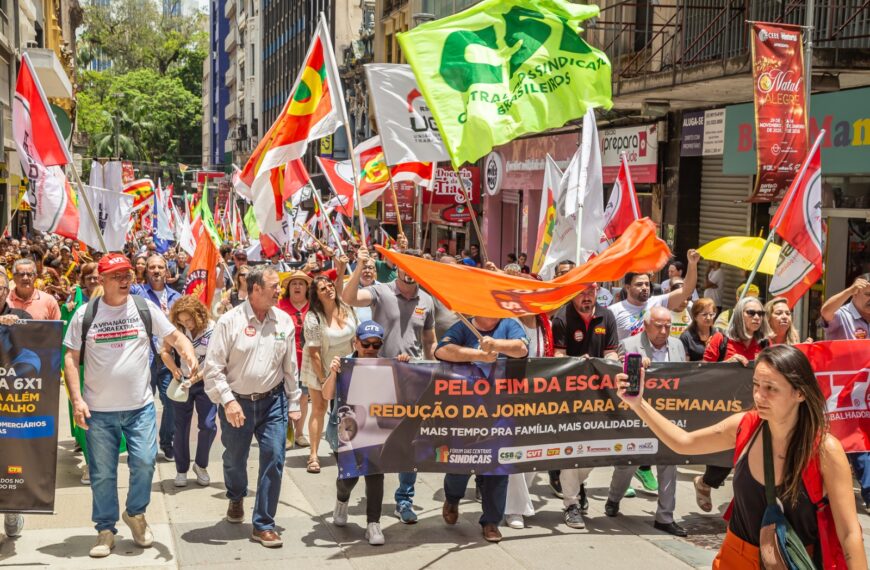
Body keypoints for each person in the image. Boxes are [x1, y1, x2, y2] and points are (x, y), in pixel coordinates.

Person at [615, 345, 866, 569]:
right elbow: (683, 442)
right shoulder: (746, 426)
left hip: (792, 561)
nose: (758, 396)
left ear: (800, 393)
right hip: (735, 559)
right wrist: (638, 403)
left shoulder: (825, 450)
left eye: (771, 389)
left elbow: (849, 532)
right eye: (756, 385)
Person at [62, 253, 198, 558]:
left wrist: (188, 353)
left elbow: (176, 337)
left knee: (145, 462)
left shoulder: (143, 307)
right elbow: (70, 359)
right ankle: (105, 530)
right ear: (102, 280)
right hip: (98, 412)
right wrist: (76, 400)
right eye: (118, 276)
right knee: (102, 473)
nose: (126, 281)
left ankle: (136, 514)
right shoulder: (86, 314)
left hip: (140, 408)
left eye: (128, 275)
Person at [203, 265, 302, 548]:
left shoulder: (283, 321)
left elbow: (290, 366)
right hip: (237, 403)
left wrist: (294, 402)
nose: (278, 291)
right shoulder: (229, 321)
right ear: (255, 289)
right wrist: (229, 400)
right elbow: (213, 369)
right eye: (274, 286)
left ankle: (263, 524)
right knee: (235, 459)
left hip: (273, 402)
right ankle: (235, 496)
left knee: (274, 457)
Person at [342, 245, 436, 524]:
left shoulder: (427, 301)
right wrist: (358, 266)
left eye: (415, 270)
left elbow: (429, 340)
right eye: (405, 269)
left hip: (413, 380)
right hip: (378, 379)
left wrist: (434, 371)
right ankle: (346, 490)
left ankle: (404, 499)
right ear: (397, 269)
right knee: (368, 443)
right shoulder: (381, 291)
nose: (410, 275)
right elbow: (348, 297)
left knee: (410, 443)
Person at [608, 250, 699, 493]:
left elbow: (686, 290)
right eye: (639, 284)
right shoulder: (614, 311)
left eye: (648, 284)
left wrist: (691, 264)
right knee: (629, 437)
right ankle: (619, 487)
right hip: (629, 379)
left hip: (659, 382)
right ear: (626, 286)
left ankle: (643, 470)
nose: (645, 288)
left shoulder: (656, 304)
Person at [435, 315, 528, 543]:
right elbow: (442, 351)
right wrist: (478, 354)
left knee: (498, 467)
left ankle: (491, 522)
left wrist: (495, 344)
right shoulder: (463, 326)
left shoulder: (509, 324)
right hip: (467, 413)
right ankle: (453, 497)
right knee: (459, 463)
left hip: (500, 412)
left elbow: (521, 348)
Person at [606, 306, 688, 536]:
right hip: (637, 415)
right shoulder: (630, 345)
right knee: (628, 462)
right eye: (659, 326)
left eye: (668, 326)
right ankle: (613, 498)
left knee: (669, 462)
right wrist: (633, 363)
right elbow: (618, 379)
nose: (664, 331)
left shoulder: (678, 346)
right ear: (646, 325)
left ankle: (665, 517)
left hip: (668, 416)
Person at [550, 282, 619, 527]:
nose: (587, 297)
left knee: (596, 451)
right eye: (582, 293)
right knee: (573, 448)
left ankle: (576, 486)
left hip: (600, 396)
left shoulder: (607, 315)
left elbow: (612, 352)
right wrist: (577, 363)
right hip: (571, 396)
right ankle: (571, 504)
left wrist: (609, 363)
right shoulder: (562, 317)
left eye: (591, 292)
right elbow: (557, 355)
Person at [694, 296, 770, 512]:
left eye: (761, 313)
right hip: (724, 408)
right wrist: (727, 365)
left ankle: (745, 509)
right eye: (751, 313)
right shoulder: (721, 340)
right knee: (724, 455)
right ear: (739, 315)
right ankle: (705, 483)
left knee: (749, 458)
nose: (757, 317)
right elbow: (702, 371)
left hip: (755, 408)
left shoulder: (764, 343)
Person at [325, 321, 389, 546]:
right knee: (348, 478)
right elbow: (326, 395)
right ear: (356, 342)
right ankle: (342, 499)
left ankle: (373, 523)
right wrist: (333, 373)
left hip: (374, 430)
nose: (371, 349)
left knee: (375, 475)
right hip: (344, 431)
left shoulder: (386, 365)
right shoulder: (344, 364)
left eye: (376, 344)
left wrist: (403, 366)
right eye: (366, 344)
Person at [820, 273, 870, 511]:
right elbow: (825, 312)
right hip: (844, 396)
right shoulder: (844, 315)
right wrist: (849, 290)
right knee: (857, 443)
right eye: (867, 294)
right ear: (856, 293)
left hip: (867, 392)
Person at [301, 275, 356, 474]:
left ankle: (346, 448)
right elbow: (314, 352)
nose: (329, 289)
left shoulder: (347, 308)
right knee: (319, 407)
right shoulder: (313, 318)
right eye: (323, 288)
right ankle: (313, 455)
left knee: (348, 409)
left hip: (346, 366)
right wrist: (325, 380)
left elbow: (354, 339)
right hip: (320, 366)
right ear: (316, 295)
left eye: (330, 285)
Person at [161, 296, 218, 488]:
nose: (186, 324)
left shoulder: (212, 327)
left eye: (189, 320)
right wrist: (172, 368)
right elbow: (165, 351)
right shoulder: (176, 329)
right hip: (181, 381)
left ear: (199, 315)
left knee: (209, 425)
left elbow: (213, 361)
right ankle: (181, 469)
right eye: (182, 321)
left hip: (205, 382)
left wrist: (195, 379)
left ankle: (201, 465)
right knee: (181, 427)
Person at [131, 255, 182, 461]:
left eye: (160, 267)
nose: (156, 270)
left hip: (169, 359)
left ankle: (167, 442)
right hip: (144, 357)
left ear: (167, 272)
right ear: (146, 271)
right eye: (152, 267)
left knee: (171, 401)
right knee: (143, 403)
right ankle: (145, 444)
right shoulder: (137, 293)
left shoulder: (176, 297)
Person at [0, 272, 31, 539]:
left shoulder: (23, 319)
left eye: (1, 286)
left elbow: (41, 345)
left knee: (10, 460)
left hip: (12, 403)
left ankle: (12, 509)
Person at [276, 270, 312, 448]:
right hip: (284, 360)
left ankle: (299, 433)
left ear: (307, 288)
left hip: (307, 361)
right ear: (288, 288)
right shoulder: (279, 305)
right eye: (294, 283)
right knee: (285, 396)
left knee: (303, 397)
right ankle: (287, 433)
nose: (297, 286)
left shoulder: (314, 306)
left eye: (301, 283)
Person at [679, 297, 718, 361]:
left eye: (711, 314)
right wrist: (707, 355)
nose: (708, 318)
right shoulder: (686, 337)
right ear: (695, 316)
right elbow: (685, 366)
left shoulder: (718, 334)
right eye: (704, 314)